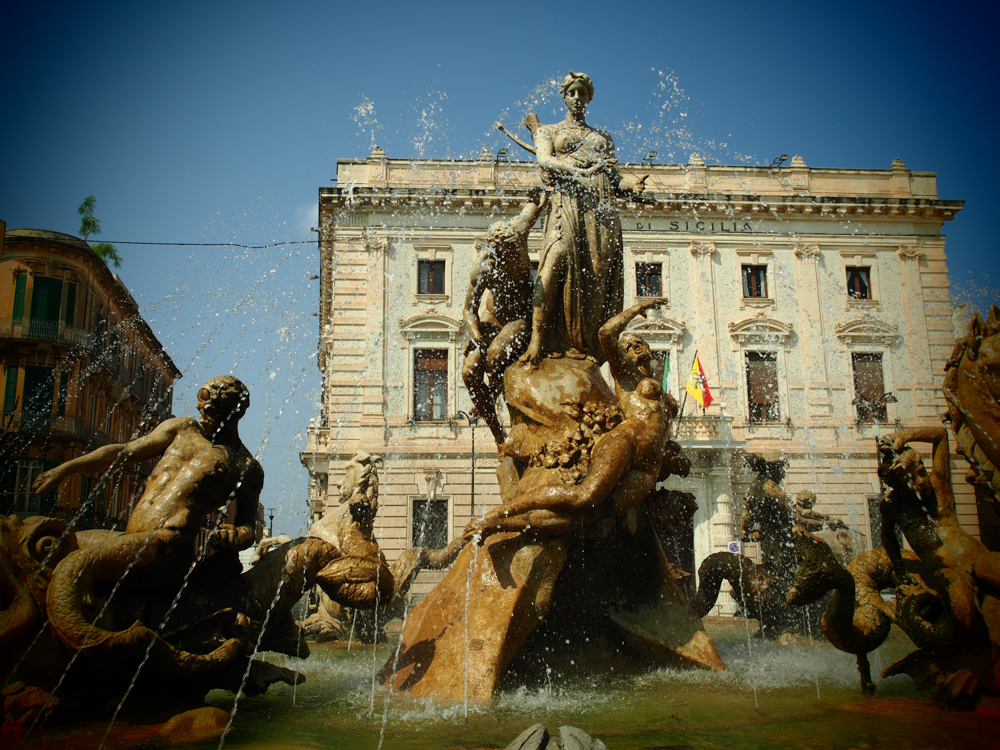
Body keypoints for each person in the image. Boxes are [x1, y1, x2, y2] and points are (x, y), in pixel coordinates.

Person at [468, 299, 684, 540]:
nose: (636, 346)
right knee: (584, 497)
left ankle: (506, 524)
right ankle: (501, 515)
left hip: (647, 468)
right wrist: (635, 310)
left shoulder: (661, 390)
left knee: (593, 515)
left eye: (639, 342)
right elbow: (606, 333)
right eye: (629, 345)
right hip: (626, 442)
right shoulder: (627, 375)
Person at [33, 375, 263, 590]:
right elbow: (124, 452)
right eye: (201, 404)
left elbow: (248, 526)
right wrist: (66, 468)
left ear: (235, 412)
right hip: (132, 538)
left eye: (211, 410)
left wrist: (235, 535)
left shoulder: (245, 466)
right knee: (55, 545)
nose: (201, 411)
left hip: (168, 547)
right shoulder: (182, 429)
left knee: (74, 566)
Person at [519, 71, 647, 367]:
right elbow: (544, 160)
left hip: (600, 213)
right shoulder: (547, 131)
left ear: (588, 98)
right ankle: (537, 340)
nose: (577, 98)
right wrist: (577, 171)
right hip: (566, 207)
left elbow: (614, 179)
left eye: (582, 93)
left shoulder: (603, 138)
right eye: (572, 93)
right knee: (552, 264)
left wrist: (634, 186)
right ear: (564, 97)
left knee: (595, 281)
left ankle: (583, 347)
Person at [878, 427, 1000, 638]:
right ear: (898, 486)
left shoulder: (939, 485)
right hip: (949, 573)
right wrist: (901, 572)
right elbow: (888, 537)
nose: (922, 482)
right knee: (970, 618)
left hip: (978, 558)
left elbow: (941, 435)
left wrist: (906, 436)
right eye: (910, 481)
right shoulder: (893, 505)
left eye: (922, 472)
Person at [462, 189, 545, 444]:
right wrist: (476, 337)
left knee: (496, 357)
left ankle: (497, 396)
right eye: (505, 256)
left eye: (514, 253)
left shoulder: (518, 230)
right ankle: (499, 436)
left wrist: (541, 191)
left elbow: (535, 203)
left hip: (521, 317)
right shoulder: (484, 266)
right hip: (493, 317)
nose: (511, 259)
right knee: (469, 371)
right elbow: (469, 310)